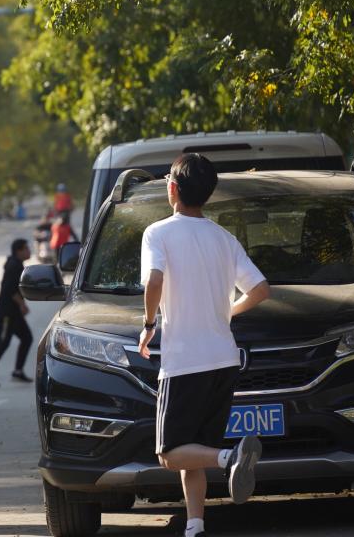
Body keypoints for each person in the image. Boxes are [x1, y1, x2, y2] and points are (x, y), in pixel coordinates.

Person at [138, 153, 270, 537]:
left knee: (169, 454)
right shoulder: (224, 238)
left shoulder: (158, 233)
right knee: (192, 452)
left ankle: (230, 457)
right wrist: (227, 311)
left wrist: (148, 325)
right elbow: (260, 289)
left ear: (172, 188)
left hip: (185, 362)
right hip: (224, 361)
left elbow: (154, 281)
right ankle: (195, 526)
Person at [0, 239, 34, 385]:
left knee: (26, 338)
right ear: (19, 251)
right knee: (3, 342)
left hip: (14, 312)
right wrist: (22, 305)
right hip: (6, 313)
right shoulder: (14, 266)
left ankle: (18, 371)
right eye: (26, 248)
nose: (29, 251)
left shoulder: (16, 264)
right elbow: (10, 290)